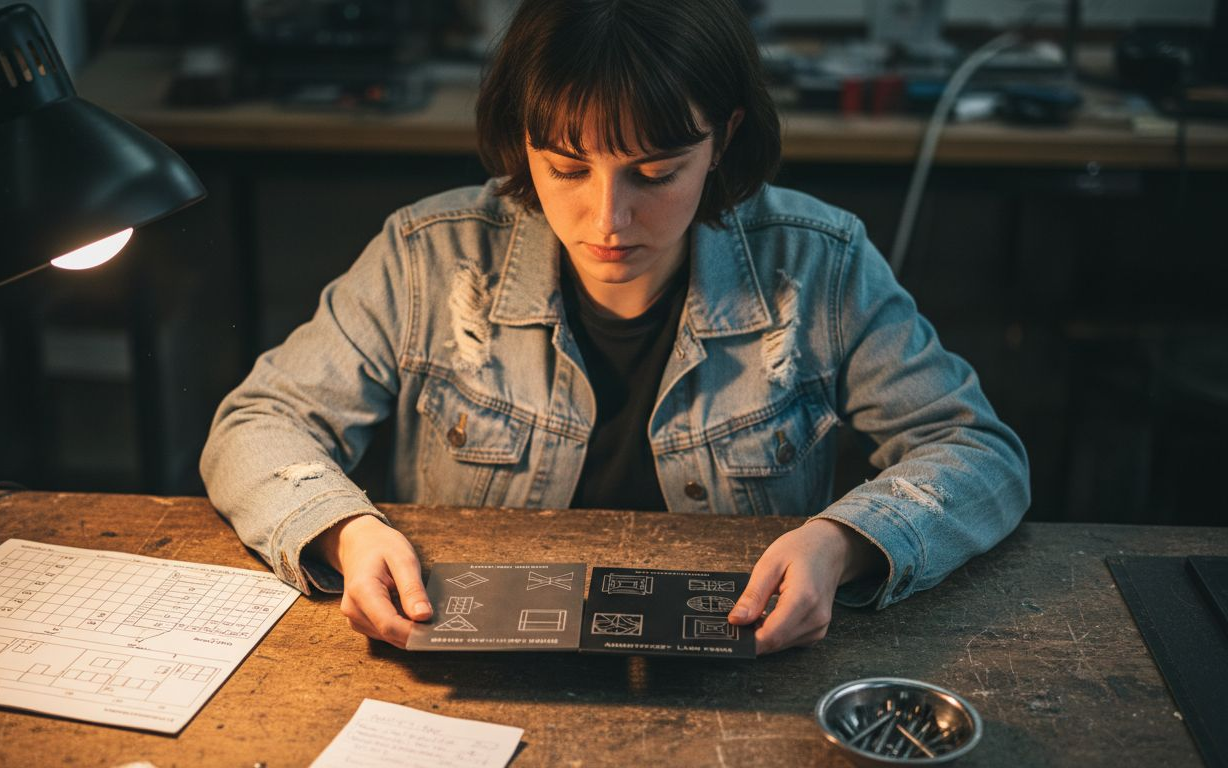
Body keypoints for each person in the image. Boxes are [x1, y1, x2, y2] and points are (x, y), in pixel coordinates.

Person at [200, 0, 1029, 655]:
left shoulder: (819, 266)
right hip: (470, 670)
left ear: (724, 138)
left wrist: (844, 542)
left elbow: (978, 451)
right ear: (523, 142)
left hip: (749, 670)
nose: (607, 218)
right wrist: (347, 532)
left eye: (656, 173)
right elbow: (258, 423)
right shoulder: (430, 257)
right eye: (564, 167)